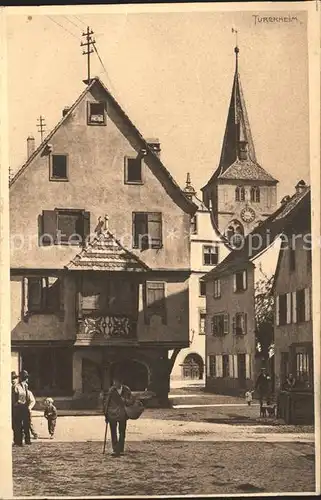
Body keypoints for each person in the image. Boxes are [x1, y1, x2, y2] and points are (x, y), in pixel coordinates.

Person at [103, 375, 134, 457]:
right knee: (113, 432)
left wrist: (125, 400)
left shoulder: (126, 390)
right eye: (114, 382)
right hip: (112, 413)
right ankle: (115, 449)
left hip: (123, 414)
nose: (115, 384)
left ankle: (120, 449)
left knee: (122, 431)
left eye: (116, 382)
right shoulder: (111, 390)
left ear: (121, 382)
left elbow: (131, 401)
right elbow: (107, 403)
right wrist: (106, 415)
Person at [13, 370, 32, 446]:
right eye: (24, 378)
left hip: (25, 407)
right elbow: (16, 397)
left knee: (27, 424)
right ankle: (19, 441)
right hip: (19, 407)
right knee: (19, 425)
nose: (26, 380)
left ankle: (27, 440)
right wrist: (17, 403)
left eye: (26, 378)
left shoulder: (26, 386)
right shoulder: (17, 387)